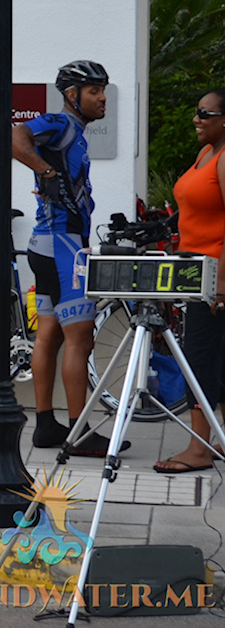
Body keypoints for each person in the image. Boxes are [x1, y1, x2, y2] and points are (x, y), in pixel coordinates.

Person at [13, 60, 116, 455]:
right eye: (94, 91)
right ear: (73, 95)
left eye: (103, 90)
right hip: (62, 245)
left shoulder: (74, 132)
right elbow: (14, 135)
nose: (102, 97)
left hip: (47, 243)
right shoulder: (61, 122)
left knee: (50, 335)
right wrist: (45, 172)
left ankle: (45, 428)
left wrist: (47, 173)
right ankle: (79, 433)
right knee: (80, 338)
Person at [155, 89, 225, 474]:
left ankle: (199, 448)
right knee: (217, 358)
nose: (196, 119)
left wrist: (221, 285)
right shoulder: (206, 154)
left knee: (198, 357)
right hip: (193, 271)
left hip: (214, 277)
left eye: (205, 113)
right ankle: (218, 437)